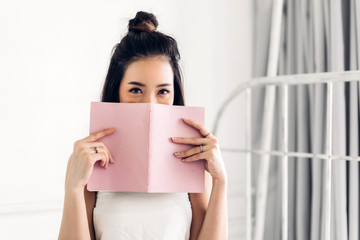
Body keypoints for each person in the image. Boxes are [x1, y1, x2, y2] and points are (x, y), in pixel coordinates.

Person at [58, 11, 228, 240]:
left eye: (163, 91)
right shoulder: (89, 161)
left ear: (174, 94)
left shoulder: (194, 163)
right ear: (117, 90)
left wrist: (221, 181)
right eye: (136, 90)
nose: (150, 104)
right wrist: (73, 189)